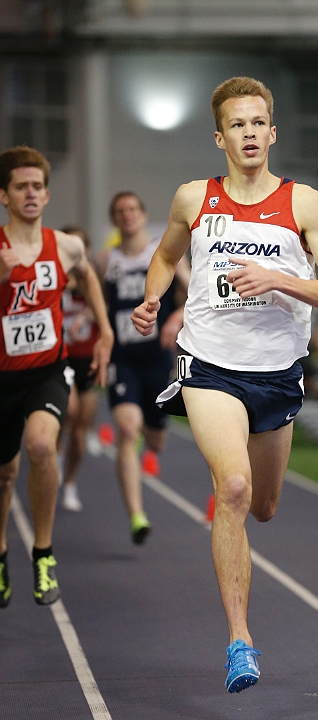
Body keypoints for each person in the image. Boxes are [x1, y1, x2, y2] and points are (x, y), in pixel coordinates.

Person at [131, 76, 318, 693]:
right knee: (231, 487)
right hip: (209, 364)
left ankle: (240, 620)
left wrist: (279, 279)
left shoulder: (303, 203)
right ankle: (239, 641)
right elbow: (166, 254)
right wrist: (153, 299)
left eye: (259, 123)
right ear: (220, 136)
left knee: (263, 505)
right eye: (238, 124)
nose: (250, 133)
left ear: (272, 132)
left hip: (277, 373)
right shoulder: (192, 198)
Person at [0, 146, 113, 608]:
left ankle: (43, 552)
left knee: (43, 445)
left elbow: (86, 278)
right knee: (4, 474)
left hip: (48, 370)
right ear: (4, 196)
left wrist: (105, 331)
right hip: (2, 377)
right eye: (21, 187)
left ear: (47, 195)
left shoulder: (66, 246)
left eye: (37, 187)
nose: (30, 194)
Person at [94, 192, 189, 544]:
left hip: (158, 358)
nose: (127, 215)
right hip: (124, 360)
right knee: (127, 430)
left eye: (133, 208)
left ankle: (155, 426)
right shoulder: (105, 261)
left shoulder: (163, 252)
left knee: (155, 439)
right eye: (119, 211)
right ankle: (137, 514)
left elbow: (194, 293)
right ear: (114, 220)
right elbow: (96, 303)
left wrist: (176, 318)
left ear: (143, 214)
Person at [58, 226, 100, 512]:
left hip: (88, 359)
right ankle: (55, 452)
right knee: (68, 411)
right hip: (60, 358)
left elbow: (104, 309)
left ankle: (70, 482)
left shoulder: (92, 278)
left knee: (80, 432)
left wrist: (85, 313)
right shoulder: (54, 278)